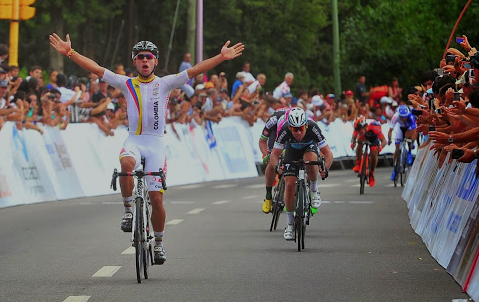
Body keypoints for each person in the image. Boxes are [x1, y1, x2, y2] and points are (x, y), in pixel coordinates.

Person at [49, 33, 244, 264]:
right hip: (134, 139)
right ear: (134, 61)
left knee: (157, 199)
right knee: (125, 165)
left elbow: (195, 71)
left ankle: (159, 244)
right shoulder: (126, 83)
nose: (144, 61)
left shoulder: (165, 83)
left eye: (148, 57)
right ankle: (128, 211)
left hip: (156, 144)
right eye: (140, 57)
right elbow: (97, 69)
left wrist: (221, 57)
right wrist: (70, 53)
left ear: (155, 61)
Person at [267, 107, 333, 241]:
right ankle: (290, 224)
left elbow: (328, 153)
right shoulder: (285, 130)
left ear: (306, 125)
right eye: (294, 129)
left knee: (310, 160)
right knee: (289, 185)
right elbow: (274, 154)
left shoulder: (313, 127)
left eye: (301, 128)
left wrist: (325, 168)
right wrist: (277, 166)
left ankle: (314, 190)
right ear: (290, 127)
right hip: (292, 150)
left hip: (309, 147)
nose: (298, 132)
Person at [259, 106, 291, 213]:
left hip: (293, 135)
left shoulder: (298, 123)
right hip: (275, 136)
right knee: (271, 162)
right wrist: (266, 155)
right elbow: (262, 141)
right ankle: (268, 196)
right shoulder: (272, 121)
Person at [350, 115, 387, 187]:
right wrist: (353, 143)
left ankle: (371, 174)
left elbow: (384, 141)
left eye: (359, 130)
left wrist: (380, 147)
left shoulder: (375, 127)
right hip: (364, 136)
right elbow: (353, 138)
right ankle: (358, 163)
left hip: (374, 137)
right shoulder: (358, 128)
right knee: (360, 142)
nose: (358, 131)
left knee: (373, 153)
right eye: (357, 130)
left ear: (365, 126)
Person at [390, 105, 417, 181]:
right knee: (397, 147)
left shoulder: (411, 116)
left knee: (409, 136)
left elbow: (415, 132)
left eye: (405, 116)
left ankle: (409, 152)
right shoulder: (395, 117)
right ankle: (395, 166)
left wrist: (412, 141)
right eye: (402, 117)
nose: (404, 118)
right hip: (400, 128)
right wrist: (389, 139)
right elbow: (390, 130)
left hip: (408, 128)